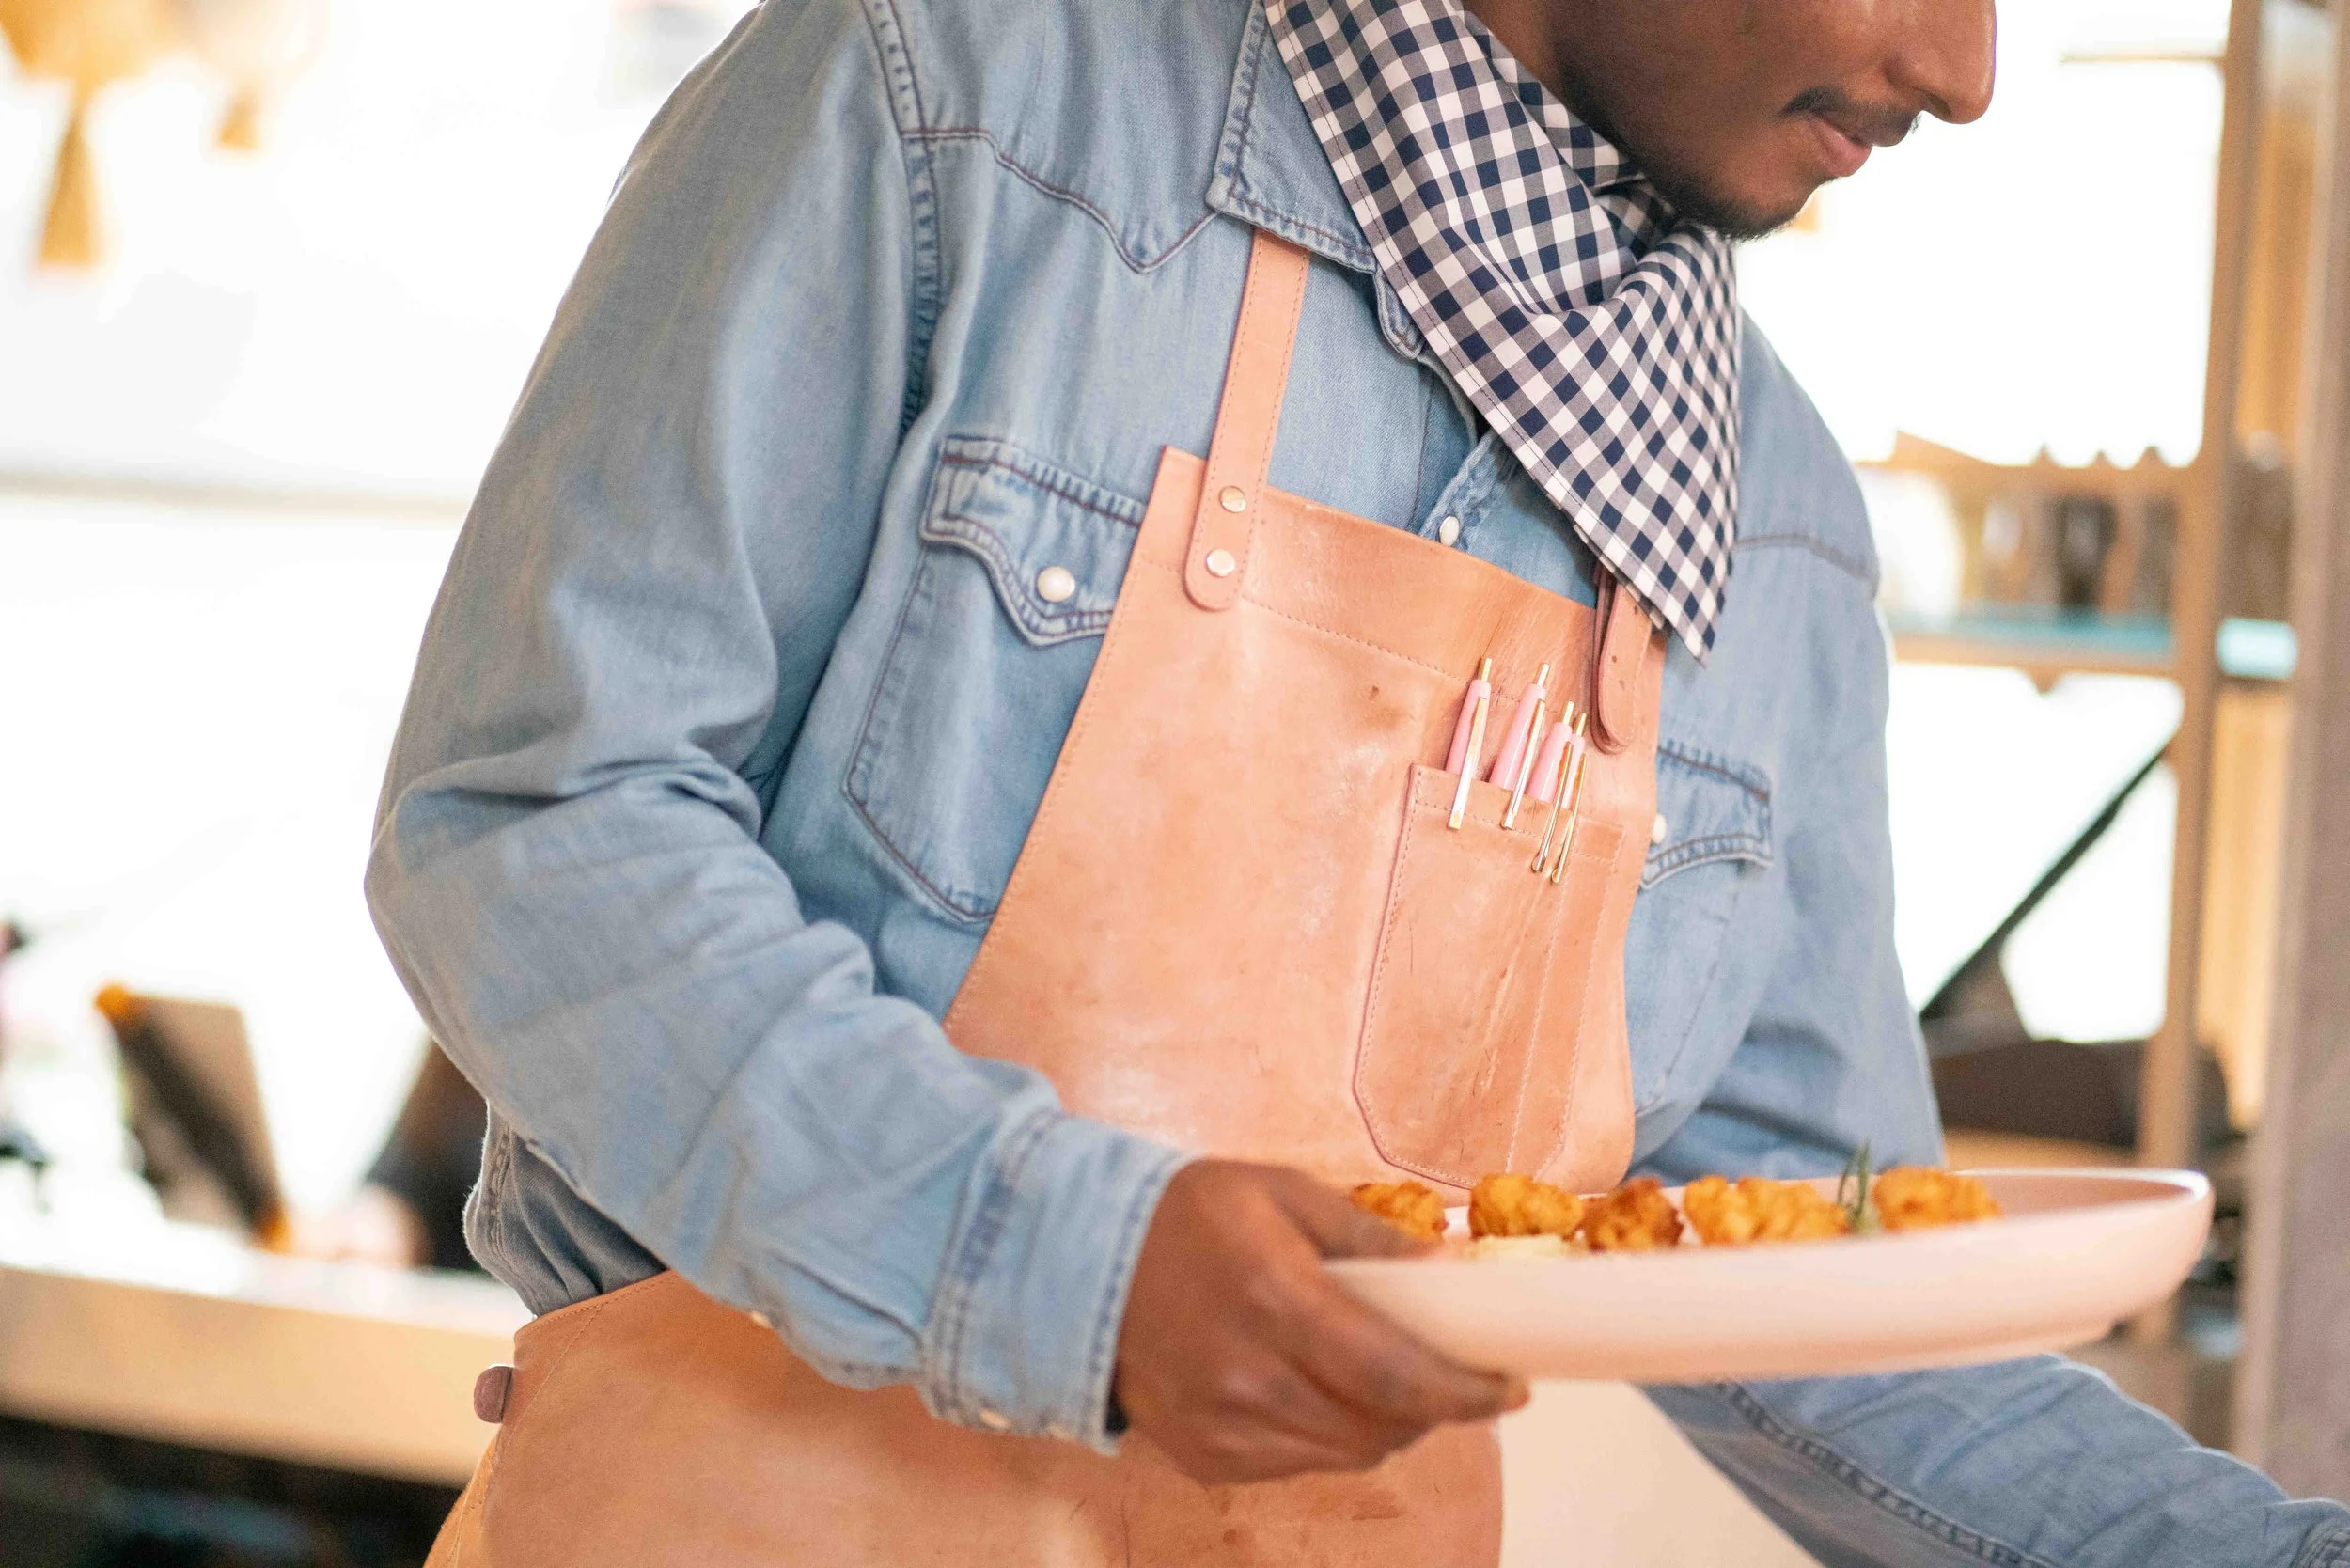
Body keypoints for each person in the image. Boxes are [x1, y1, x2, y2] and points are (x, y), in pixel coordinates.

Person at [366, 0, 2350, 1562]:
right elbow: (533, 822)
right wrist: (1076, 1265)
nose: (1963, 70)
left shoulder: (1779, 527)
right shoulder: (938, 98)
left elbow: (1786, 1267)